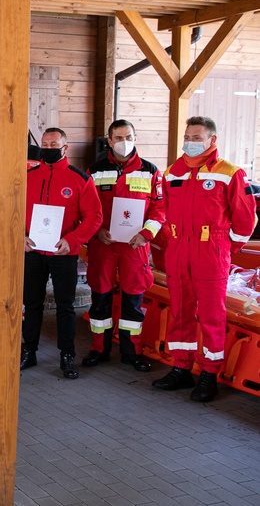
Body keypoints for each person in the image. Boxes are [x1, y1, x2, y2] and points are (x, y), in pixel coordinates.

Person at [152, 116, 256, 402]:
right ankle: (181, 368)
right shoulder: (173, 172)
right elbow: (164, 209)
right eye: (188, 136)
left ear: (212, 140)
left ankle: (209, 375)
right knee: (180, 312)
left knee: (211, 316)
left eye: (197, 137)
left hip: (211, 253)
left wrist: (225, 248)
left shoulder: (230, 173)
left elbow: (246, 220)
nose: (190, 142)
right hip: (178, 252)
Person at [83, 120, 164, 373]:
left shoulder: (151, 171)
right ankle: (99, 348)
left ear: (135, 137)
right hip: (103, 245)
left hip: (134, 246)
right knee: (100, 299)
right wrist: (96, 232)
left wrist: (146, 234)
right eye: (118, 138)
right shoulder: (94, 171)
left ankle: (132, 352)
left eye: (128, 136)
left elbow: (160, 210)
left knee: (133, 300)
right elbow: (85, 208)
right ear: (109, 141)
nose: (123, 141)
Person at [22, 127, 102, 380]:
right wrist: (19, 236)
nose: (48, 148)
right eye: (44, 144)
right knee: (31, 304)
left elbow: (94, 217)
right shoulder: (27, 176)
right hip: (33, 250)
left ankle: (67, 355)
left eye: (53, 144)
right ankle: (29, 350)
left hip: (63, 253)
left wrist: (73, 239)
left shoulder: (80, 179)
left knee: (65, 306)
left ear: (64, 148)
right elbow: (10, 210)